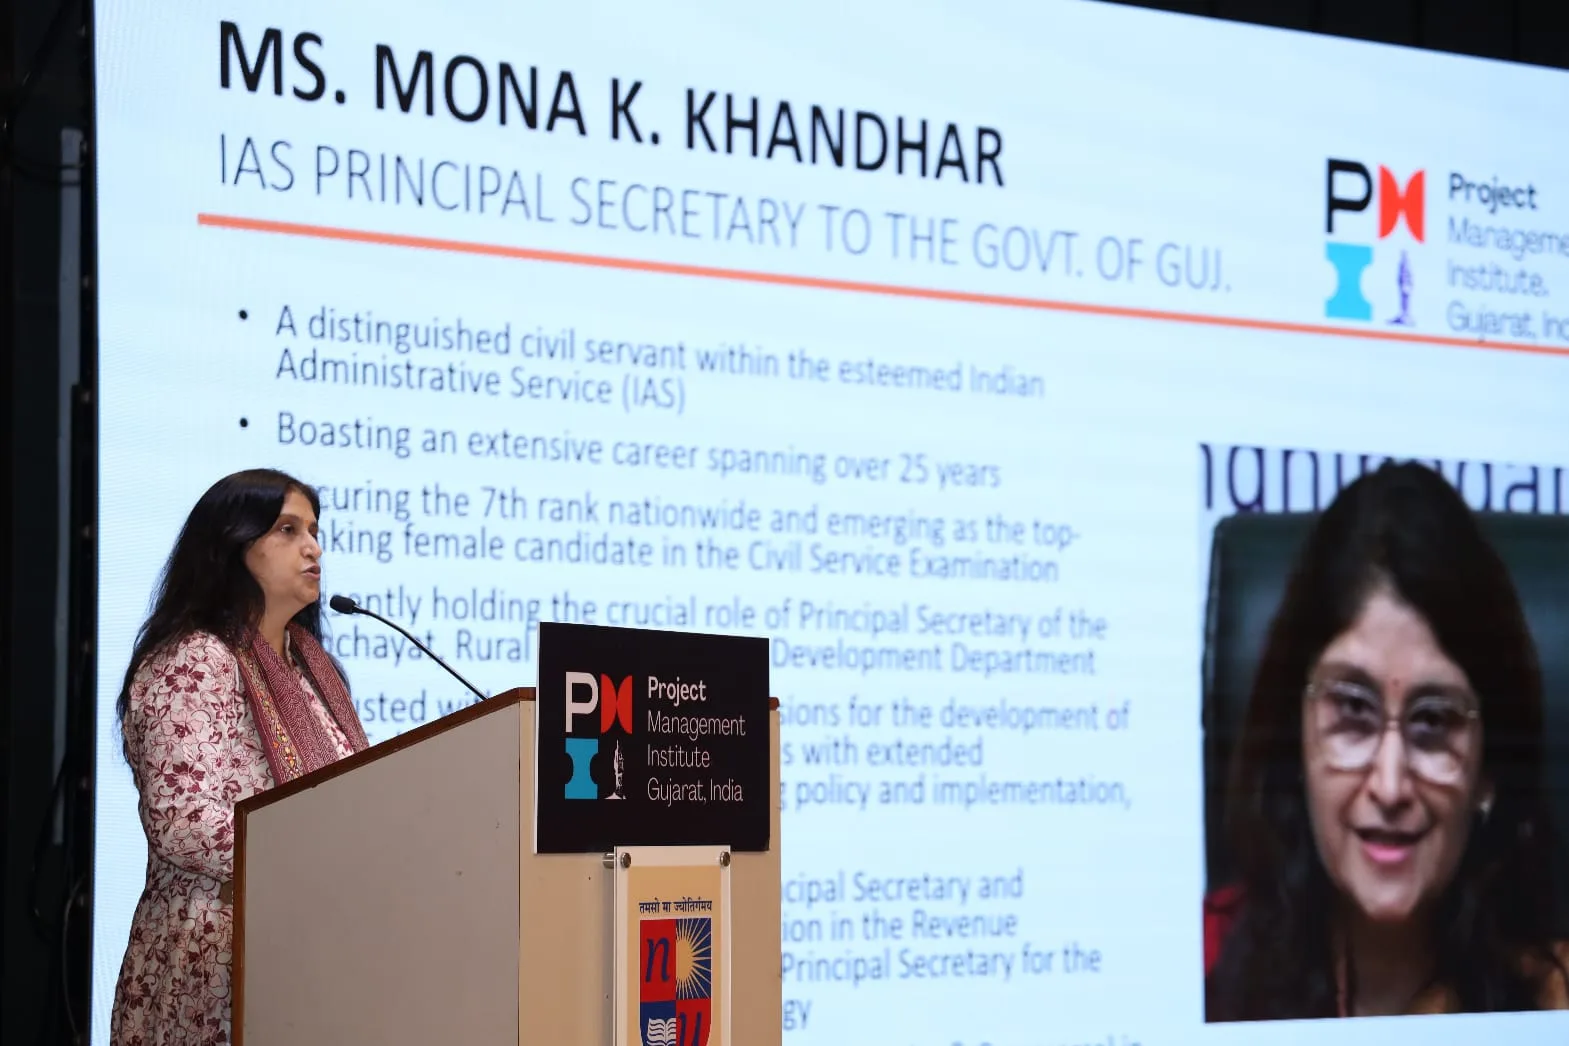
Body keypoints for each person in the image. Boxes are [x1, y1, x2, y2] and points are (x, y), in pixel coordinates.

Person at [1205, 461, 1569, 1020]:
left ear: (1489, 769)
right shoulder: (1193, 972)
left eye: (1434, 722)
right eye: (1353, 711)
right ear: (1296, 735)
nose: (1391, 785)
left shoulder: (1552, 1000)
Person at [110, 469, 370, 1045]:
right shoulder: (194, 659)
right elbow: (183, 824)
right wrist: (317, 856)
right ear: (232, 545)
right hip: (217, 961)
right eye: (287, 530)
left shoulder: (314, 670)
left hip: (312, 951)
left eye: (314, 531)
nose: (313, 547)